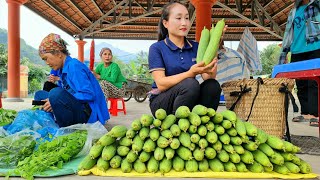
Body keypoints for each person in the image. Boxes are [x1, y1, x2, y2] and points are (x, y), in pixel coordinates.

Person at [148, 2, 223, 116]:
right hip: (162, 103)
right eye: (178, 18)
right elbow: (161, 84)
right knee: (190, 83)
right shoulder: (157, 48)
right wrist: (190, 73)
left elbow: (209, 76)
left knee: (212, 85)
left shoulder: (196, 47)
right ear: (165, 23)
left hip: (189, 98)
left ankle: (203, 124)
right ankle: (177, 125)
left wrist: (215, 44)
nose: (184, 23)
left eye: (187, 18)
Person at [35, 33, 109, 127]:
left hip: (88, 113)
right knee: (39, 95)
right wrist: (53, 101)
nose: (47, 63)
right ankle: (52, 121)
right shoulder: (62, 68)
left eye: (46, 59)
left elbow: (88, 94)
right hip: (76, 106)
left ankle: (64, 128)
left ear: (58, 53)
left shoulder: (74, 66)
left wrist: (55, 100)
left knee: (55, 94)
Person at [279, 0, 320, 127]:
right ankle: (305, 112)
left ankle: (315, 114)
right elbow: (287, 34)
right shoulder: (293, 11)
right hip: (296, 50)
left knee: (313, 82)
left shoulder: (317, 5)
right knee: (300, 83)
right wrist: (284, 54)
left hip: (314, 48)